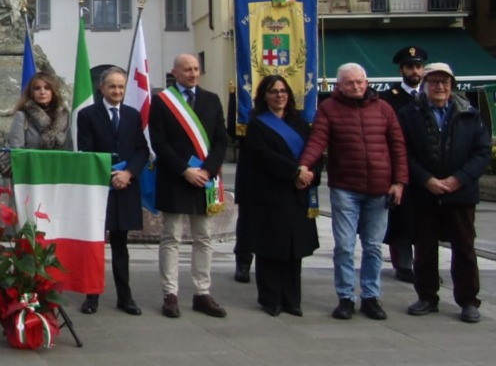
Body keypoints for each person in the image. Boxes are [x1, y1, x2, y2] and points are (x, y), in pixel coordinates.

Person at [298, 63, 407, 321]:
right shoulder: (328, 109)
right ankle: (345, 297)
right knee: (344, 247)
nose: (356, 86)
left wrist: (400, 182)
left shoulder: (384, 109)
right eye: (350, 83)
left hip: (380, 189)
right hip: (345, 188)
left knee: (372, 247)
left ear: (366, 82)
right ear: (340, 85)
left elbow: (398, 147)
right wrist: (304, 164)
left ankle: (370, 296)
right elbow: (317, 141)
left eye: (360, 82)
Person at [397, 63, 489, 323]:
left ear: (452, 85)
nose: (440, 87)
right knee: (425, 248)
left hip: (460, 193)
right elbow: (403, 151)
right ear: (425, 84)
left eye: (444, 82)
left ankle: (468, 300)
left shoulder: (469, 113)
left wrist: (458, 179)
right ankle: (427, 296)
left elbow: (481, 152)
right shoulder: (409, 113)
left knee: (465, 248)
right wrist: (426, 179)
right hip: (424, 192)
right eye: (434, 82)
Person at [149, 53, 230, 319]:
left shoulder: (211, 100)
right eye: (187, 70)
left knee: (203, 237)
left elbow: (221, 139)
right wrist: (184, 170)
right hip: (175, 178)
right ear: (175, 72)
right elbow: (159, 142)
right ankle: (169, 293)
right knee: (171, 236)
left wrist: (206, 171)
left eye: (196, 69)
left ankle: (202, 293)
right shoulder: (162, 102)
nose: (193, 74)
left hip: (204, 181)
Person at [237, 75, 319, 317]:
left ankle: (292, 299)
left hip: (298, 194)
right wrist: (294, 171)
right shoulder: (257, 126)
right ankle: (270, 299)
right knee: (271, 249)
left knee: (294, 250)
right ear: (265, 95)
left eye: (283, 91)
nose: (279, 95)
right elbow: (263, 157)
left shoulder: (300, 124)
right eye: (274, 91)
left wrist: (310, 174)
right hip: (270, 195)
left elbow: (314, 152)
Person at [76, 66, 149, 316]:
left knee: (121, 246)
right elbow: (86, 151)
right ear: (102, 88)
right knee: (95, 245)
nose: (117, 90)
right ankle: (92, 296)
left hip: (126, 187)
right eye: (112, 86)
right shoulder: (87, 115)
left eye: (121, 86)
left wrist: (128, 173)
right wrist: (109, 174)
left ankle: (125, 297)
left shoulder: (132, 115)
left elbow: (141, 149)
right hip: (100, 188)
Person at [383, 45, 428, 284]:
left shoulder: (431, 96)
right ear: (401, 69)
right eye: (410, 66)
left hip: (428, 170)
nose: (414, 71)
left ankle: (425, 266)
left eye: (418, 66)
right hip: (399, 168)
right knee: (401, 219)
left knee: (426, 222)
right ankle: (403, 265)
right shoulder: (389, 98)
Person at [0, 71, 72, 176]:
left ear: (53, 91)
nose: (42, 92)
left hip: (58, 173)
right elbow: (17, 151)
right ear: (31, 92)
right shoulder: (22, 116)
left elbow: (69, 149)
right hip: (31, 174)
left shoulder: (64, 117)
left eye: (47, 88)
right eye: (37, 88)